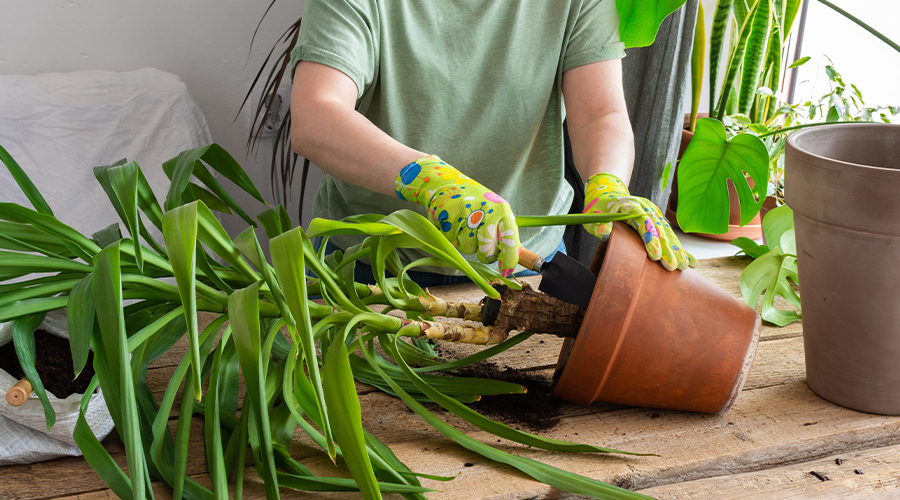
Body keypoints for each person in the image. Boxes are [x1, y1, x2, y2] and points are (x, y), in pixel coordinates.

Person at [289, 0, 695, 287]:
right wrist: (430, 181)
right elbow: (316, 114)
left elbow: (599, 113)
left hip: (524, 271)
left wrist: (607, 183)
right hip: (369, 269)